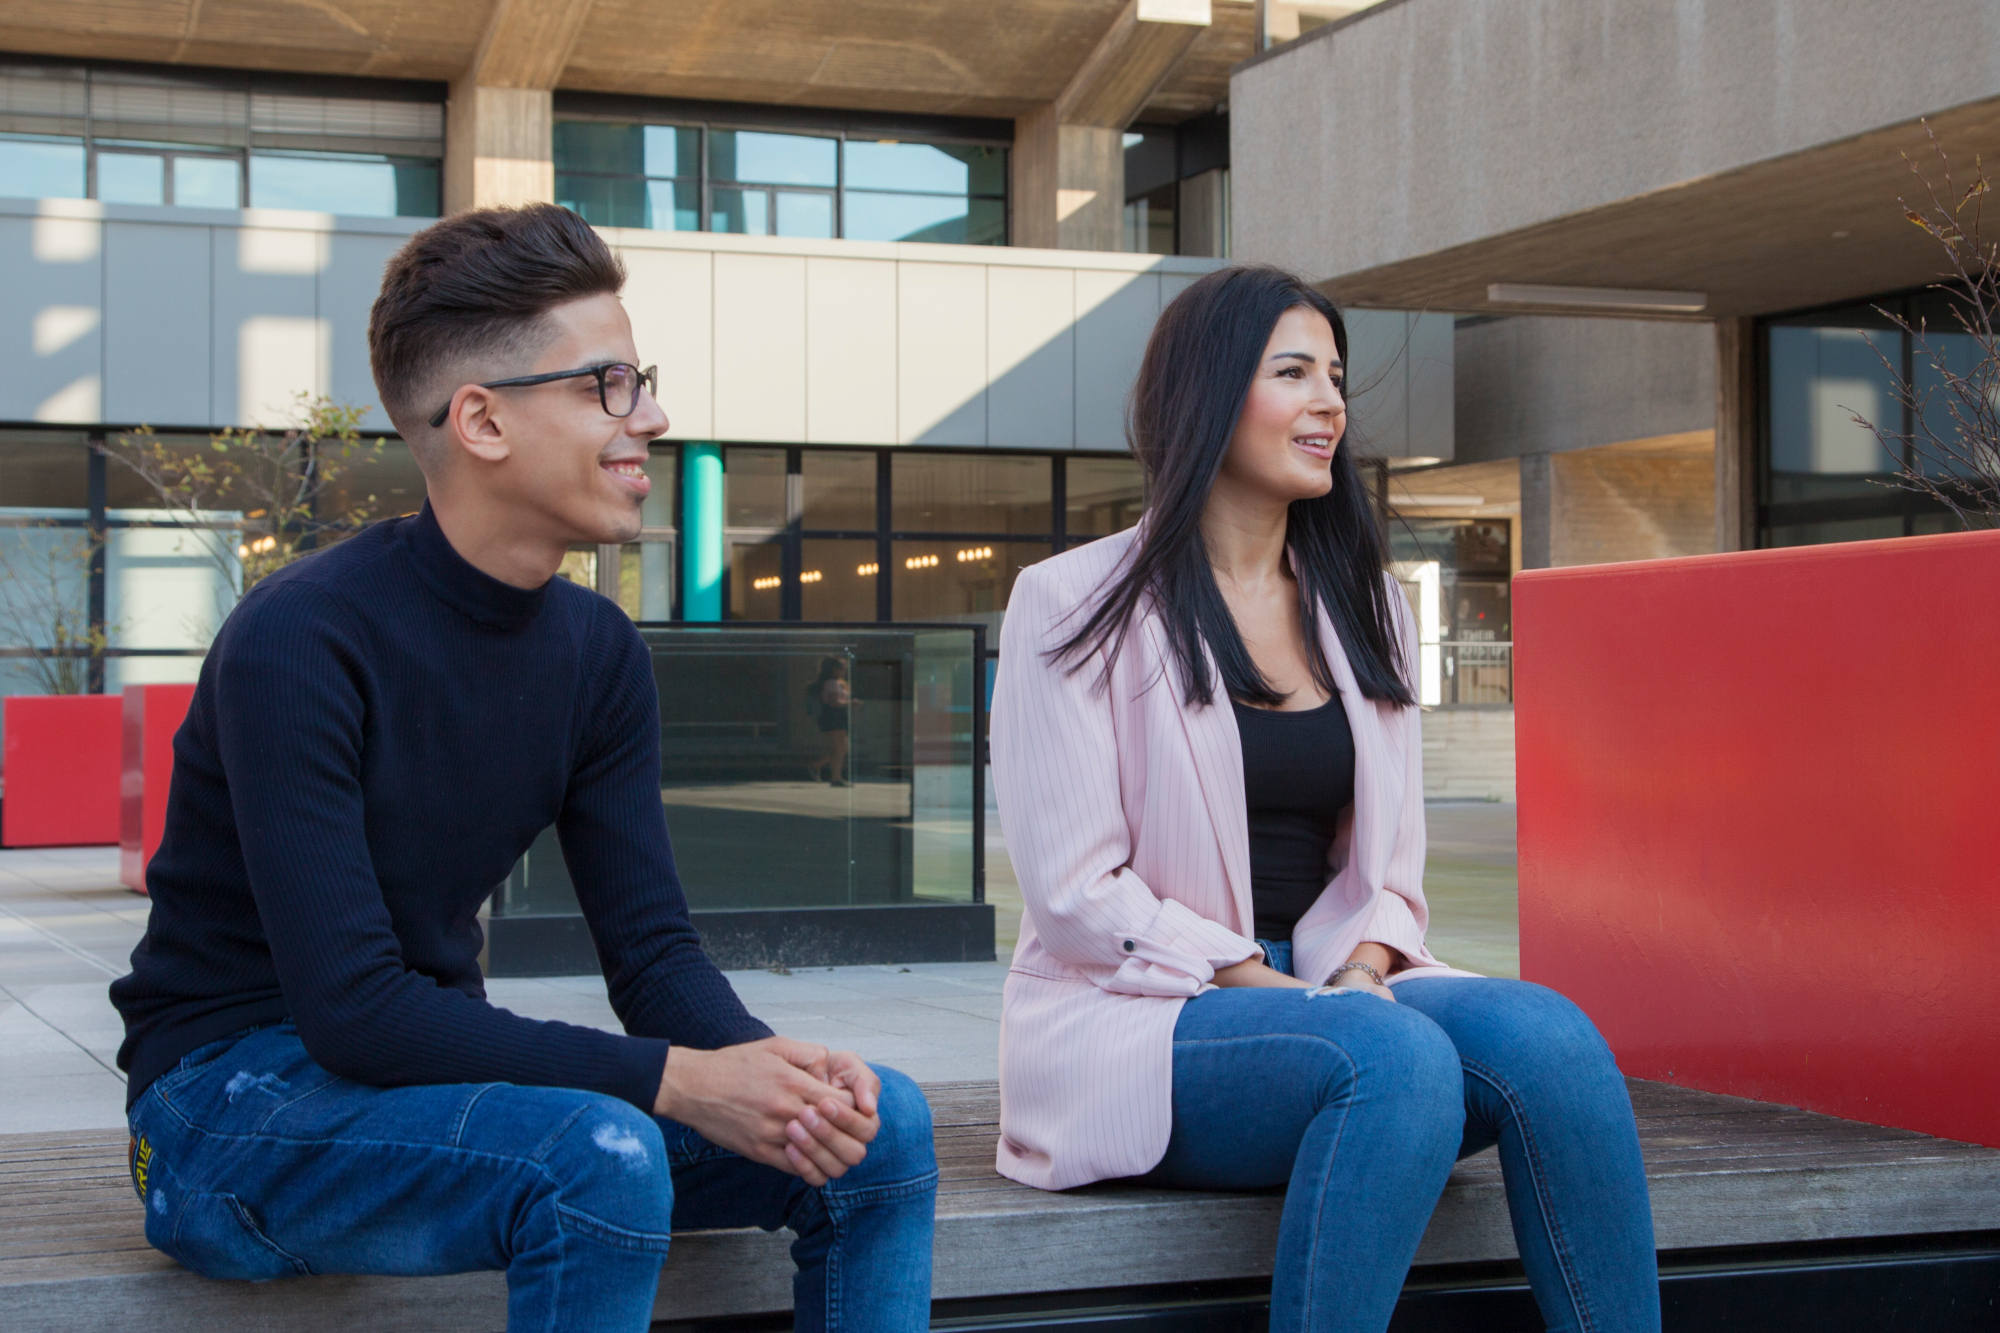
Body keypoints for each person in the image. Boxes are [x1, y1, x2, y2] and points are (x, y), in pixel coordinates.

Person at [109, 203, 937, 1333]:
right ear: (483, 420)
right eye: (607, 385)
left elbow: (652, 954)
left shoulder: (597, 652)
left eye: (640, 381)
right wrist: (679, 1079)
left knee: (878, 1127)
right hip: (223, 1108)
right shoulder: (301, 635)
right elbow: (353, 1009)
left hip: (429, 1082)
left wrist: (764, 1071)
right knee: (595, 1154)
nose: (650, 417)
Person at [988, 266, 1659, 1333]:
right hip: (1142, 1019)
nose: (1329, 404)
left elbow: (1388, 872)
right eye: (1293, 373)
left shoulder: (1368, 606)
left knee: (1551, 1038)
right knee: (1391, 1057)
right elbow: (1075, 893)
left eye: (1335, 377)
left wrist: (1353, 972)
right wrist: (1273, 986)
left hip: (1333, 990)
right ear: (1209, 393)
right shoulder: (1072, 600)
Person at [804, 656, 852, 787]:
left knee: (841, 747)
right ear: (834, 669)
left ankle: (818, 766)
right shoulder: (832, 683)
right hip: (833, 716)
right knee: (841, 748)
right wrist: (850, 703)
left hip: (836, 716)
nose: (844, 671)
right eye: (842, 668)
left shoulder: (837, 682)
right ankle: (835, 777)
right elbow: (834, 702)